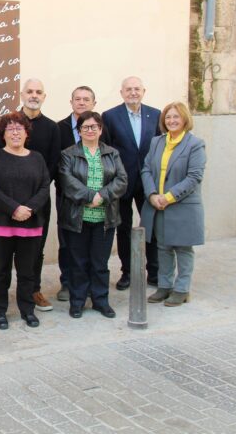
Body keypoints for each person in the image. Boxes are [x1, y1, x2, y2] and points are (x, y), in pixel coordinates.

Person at [0, 78, 59, 313]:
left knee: (34, 253)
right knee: (1, 262)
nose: (34, 95)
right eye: (30, 91)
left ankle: (33, 292)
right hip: (6, 206)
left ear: (44, 96)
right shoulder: (8, 124)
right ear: (22, 94)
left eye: (38, 92)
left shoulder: (52, 128)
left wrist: (32, 204)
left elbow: (53, 165)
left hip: (36, 204)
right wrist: (12, 206)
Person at [0, 112, 50, 329]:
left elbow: (44, 187)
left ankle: (27, 310)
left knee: (27, 271)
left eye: (19, 128)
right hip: (1, 225)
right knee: (0, 270)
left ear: (26, 133)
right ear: (2, 134)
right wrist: (14, 208)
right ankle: (0, 311)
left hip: (30, 224)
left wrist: (28, 209)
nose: (14, 132)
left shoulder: (37, 158)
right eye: (9, 129)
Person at [58, 111, 127, 319]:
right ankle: (77, 302)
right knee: (78, 263)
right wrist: (90, 196)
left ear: (100, 129)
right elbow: (66, 180)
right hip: (78, 217)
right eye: (85, 127)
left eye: (94, 127)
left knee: (100, 263)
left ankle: (101, 300)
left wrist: (102, 196)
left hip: (105, 218)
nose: (90, 130)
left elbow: (122, 179)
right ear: (79, 131)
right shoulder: (68, 154)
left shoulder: (111, 153)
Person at [140, 102, 206, 307]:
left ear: (185, 119)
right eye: (168, 117)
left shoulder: (195, 144)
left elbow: (194, 176)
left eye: (176, 117)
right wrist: (152, 195)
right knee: (163, 247)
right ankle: (164, 286)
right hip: (157, 204)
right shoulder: (157, 142)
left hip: (181, 205)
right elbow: (146, 170)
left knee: (183, 248)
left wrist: (168, 197)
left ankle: (182, 289)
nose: (172, 121)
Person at [102, 76, 160, 290]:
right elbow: (106, 151)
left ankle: (154, 271)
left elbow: (160, 147)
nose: (133, 92)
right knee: (123, 228)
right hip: (121, 182)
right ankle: (127, 272)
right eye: (128, 89)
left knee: (151, 226)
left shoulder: (155, 115)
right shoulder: (110, 116)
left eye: (137, 89)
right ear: (122, 92)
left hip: (148, 181)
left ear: (144, 91)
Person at [55, 86, 111, 302]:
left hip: (100, 201)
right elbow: (56, 163)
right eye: (77, 99)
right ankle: (68, 283)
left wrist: (101, 194)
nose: (81, 103)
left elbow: (112, 164)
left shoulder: (101, 128)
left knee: (95, 249)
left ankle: (92, 287)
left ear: (93, 103)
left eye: (86, 99)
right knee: (68, 244)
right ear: (71, 102)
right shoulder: (58, 128)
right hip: (68, 198)